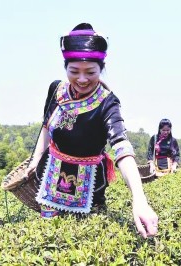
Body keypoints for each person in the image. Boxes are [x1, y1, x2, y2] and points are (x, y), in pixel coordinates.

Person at [24, 23, 158, 238]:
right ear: (65, 67)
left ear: (101, 68)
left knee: (89, 235)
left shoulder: (108, 103)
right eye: (74, 71)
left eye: (91, 72)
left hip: (90, 180)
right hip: (51, 173)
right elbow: (47, 126)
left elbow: (122, 148)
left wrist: (139, 200)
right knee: (50, 235)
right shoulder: (56, 89)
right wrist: (34, 160)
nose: (82, 79)